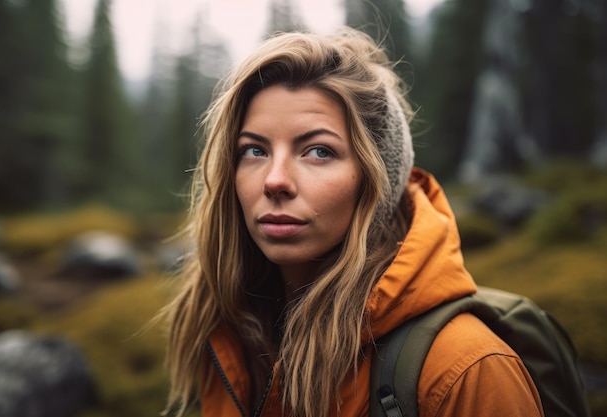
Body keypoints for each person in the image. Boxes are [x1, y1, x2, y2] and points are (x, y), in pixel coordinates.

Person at [161, 27, 544, 417]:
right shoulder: (229, 333)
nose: (274, 180)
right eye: (255, 150)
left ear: (377, 179)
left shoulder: (464, 370)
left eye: (319, 151)